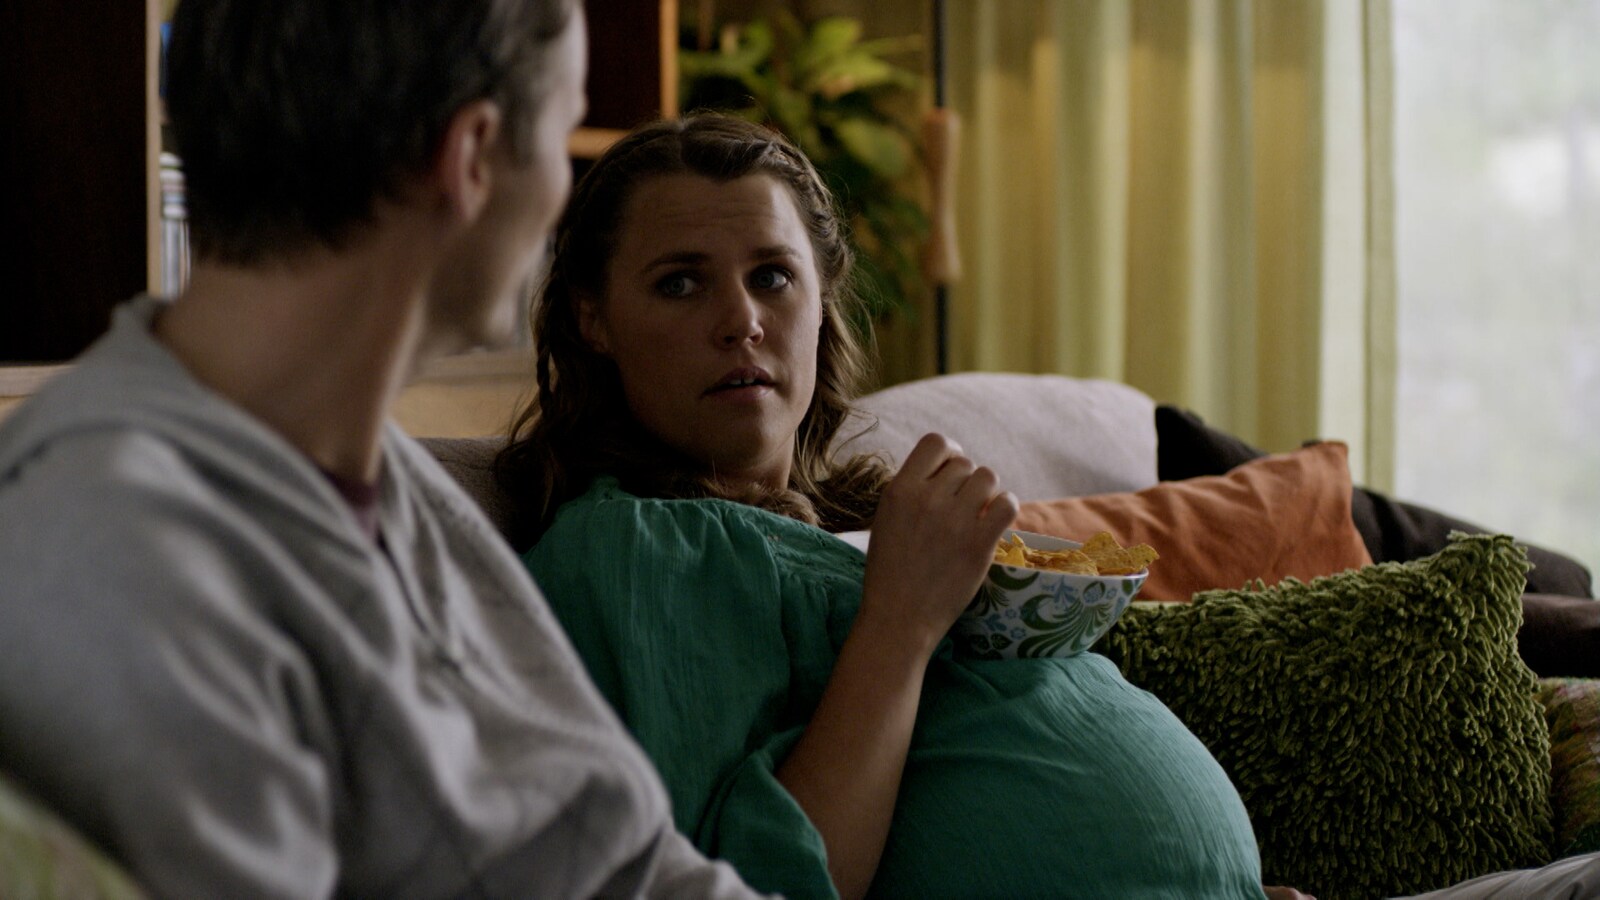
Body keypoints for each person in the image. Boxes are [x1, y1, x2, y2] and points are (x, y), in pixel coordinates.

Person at [0, 3, 765, 898]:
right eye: (562, 137)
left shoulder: (380, 477)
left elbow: (629, 862)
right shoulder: (112, 552)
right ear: (472, 158)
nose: (560, 194)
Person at [498, 112, 1282, 899]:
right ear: (593, 319)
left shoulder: (873, 516)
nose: (741, 321)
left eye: (772, 276)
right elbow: (751, 883)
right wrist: (901, 621)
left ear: (822, 297)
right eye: (680, 283)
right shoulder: (630, 551)